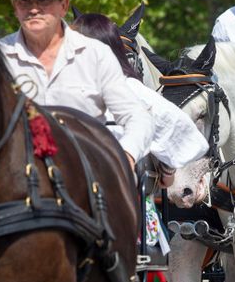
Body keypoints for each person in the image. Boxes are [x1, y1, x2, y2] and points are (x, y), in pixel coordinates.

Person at [0, 0, 153, 166]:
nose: (33, 9)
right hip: (15, 175)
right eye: (24, 1)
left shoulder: (96, 55)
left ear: (64, 5)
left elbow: (137, 117)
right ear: (15, 7)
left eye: (43, 0)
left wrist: (126, 156)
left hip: (86, 175)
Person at [69, 13, 207, 176]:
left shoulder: (129, 88)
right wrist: (167, 171)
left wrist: (166, 170)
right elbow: (186, 139)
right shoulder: (131, 88)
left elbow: (186, 138)